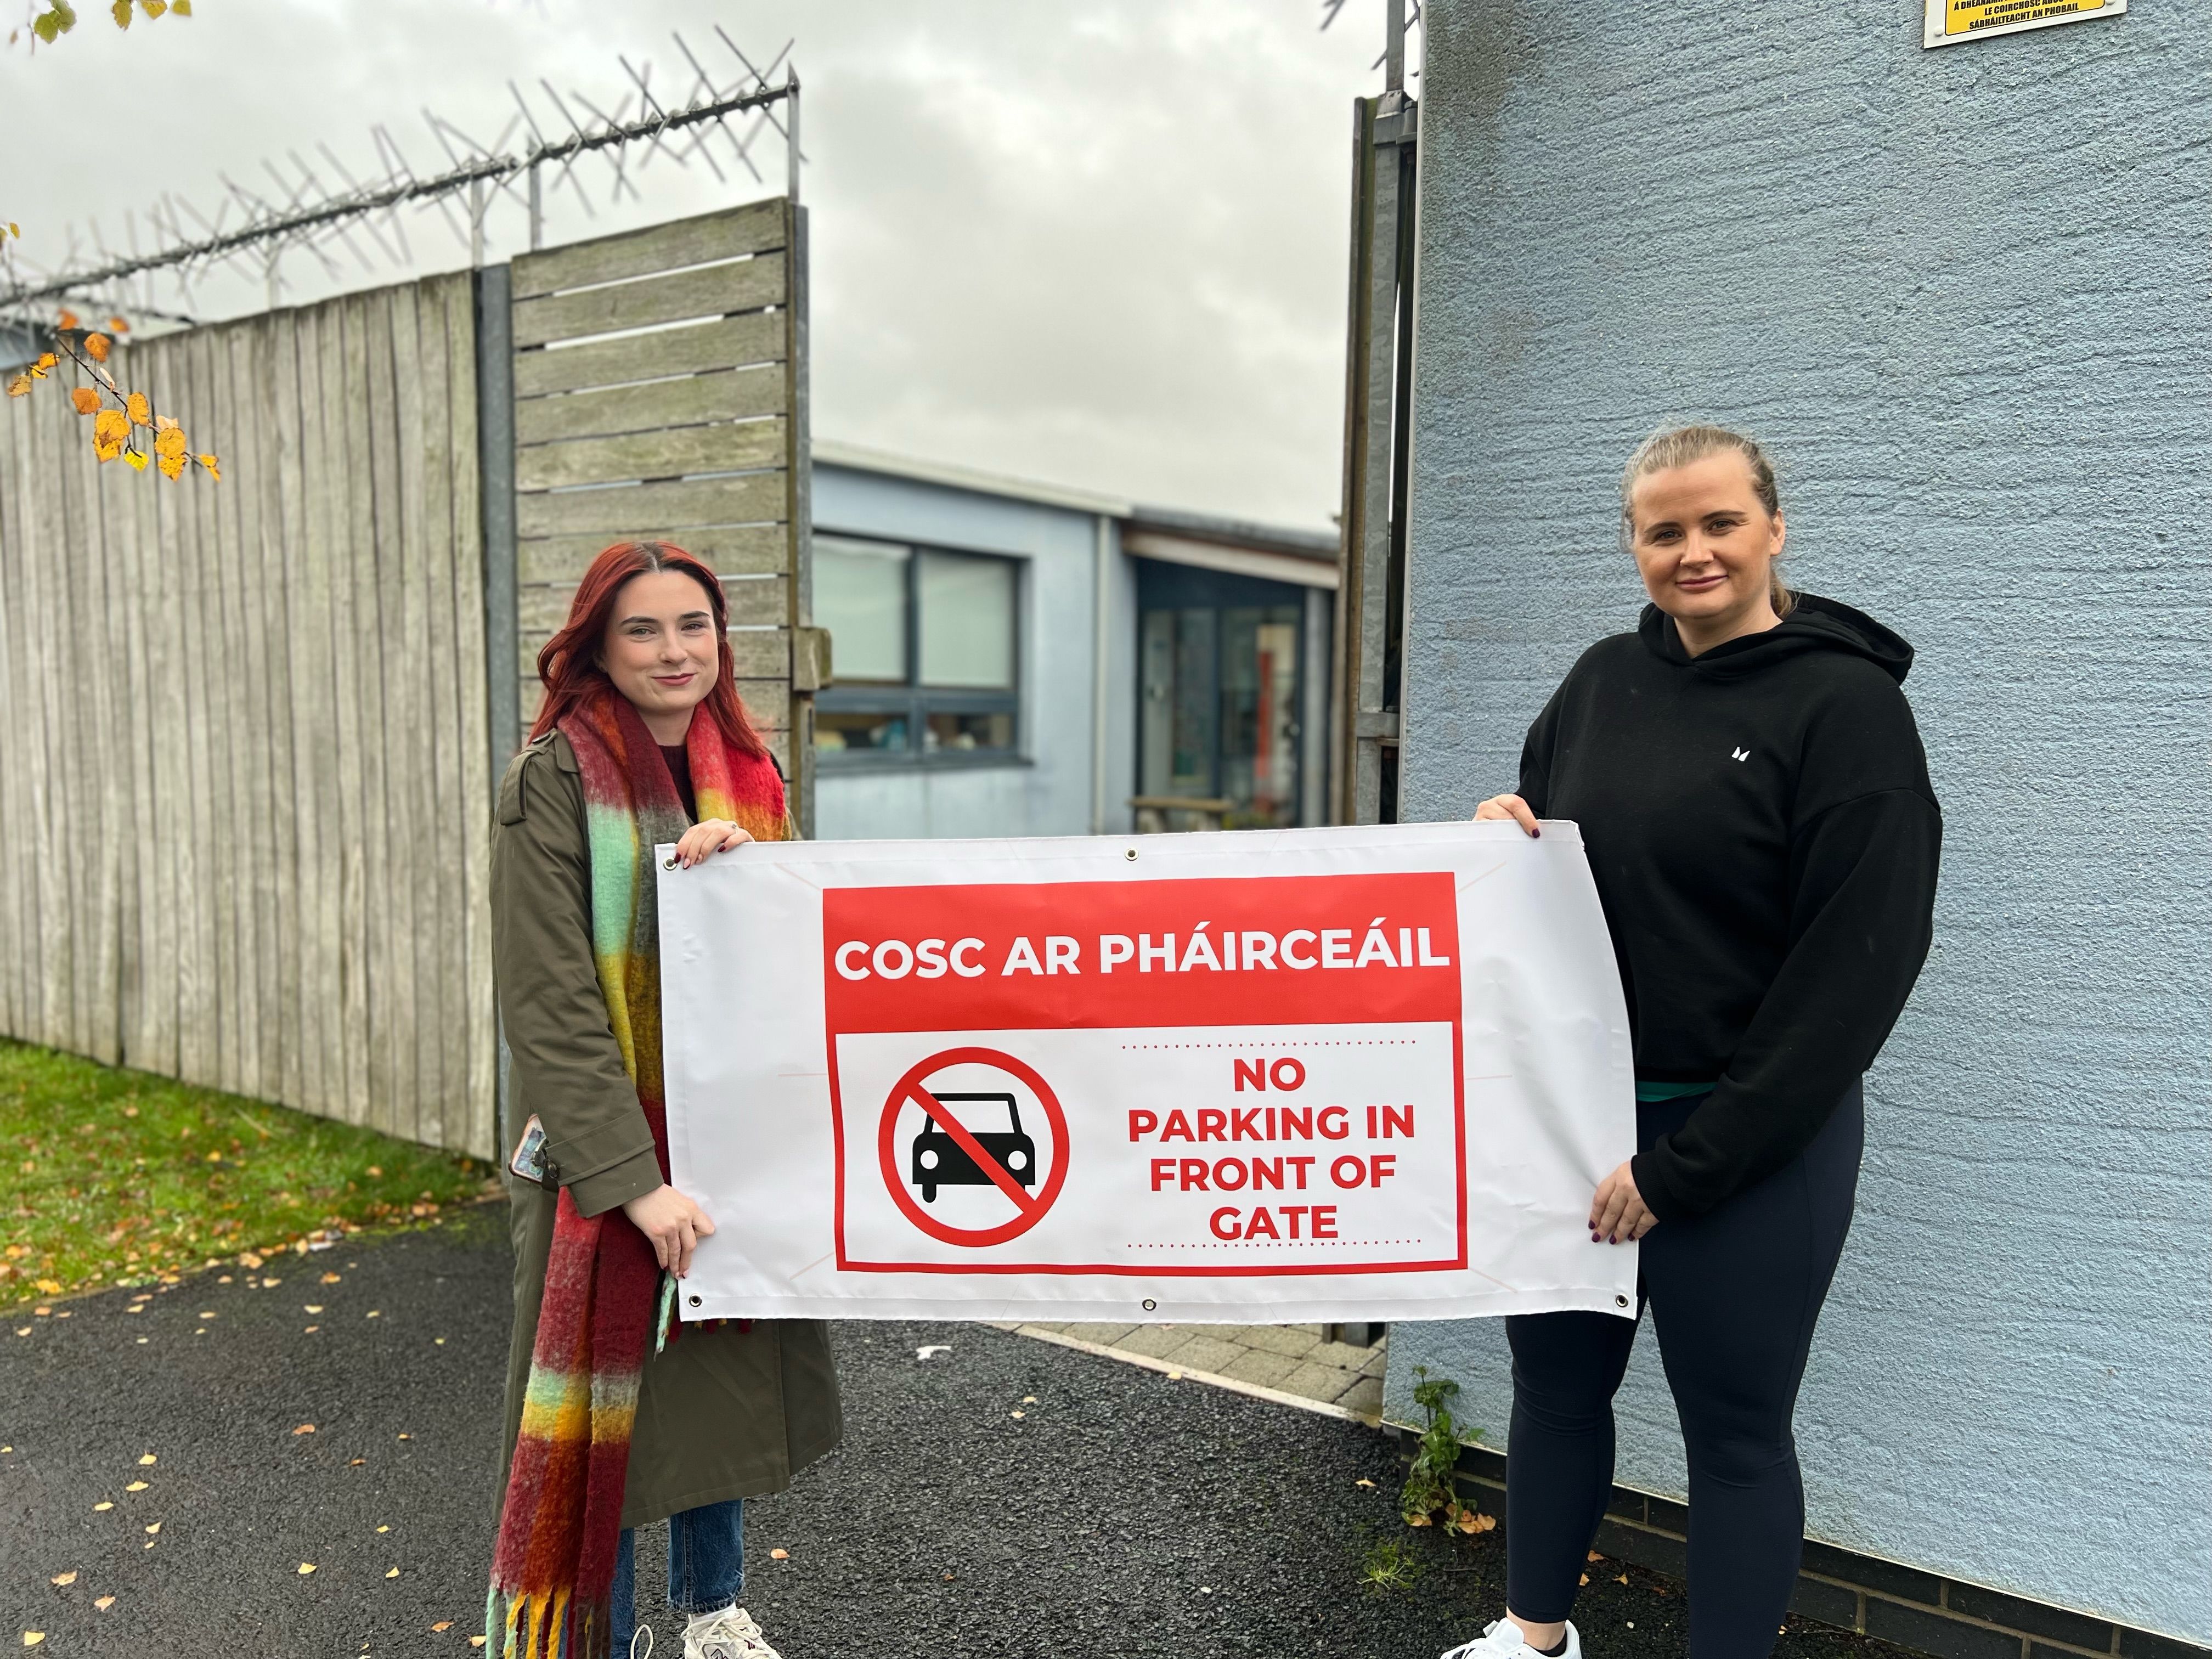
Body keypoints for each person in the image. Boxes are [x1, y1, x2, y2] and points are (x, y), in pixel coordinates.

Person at [1440, 427, 1940, 1659]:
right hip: (1580, 1129)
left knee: (1735, 1435)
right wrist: (1506, 834)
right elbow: (1553, 859)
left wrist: (1689, 1167)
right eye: (1664, 531)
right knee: (1556, 1393)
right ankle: (1534, 1638)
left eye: (1721, 523)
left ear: (1774, 529)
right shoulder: (1601, 680)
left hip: (1753, 1144)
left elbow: (1855, 973)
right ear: (1634, 547)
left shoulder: (1848, 709)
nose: (1695, 551)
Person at [487, 540, 842, 1659]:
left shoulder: (754, 776)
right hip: (604, 1163)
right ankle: (603, 1636)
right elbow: (550, 1008)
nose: (674, 651)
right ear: (597, 646)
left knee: (712, 1394)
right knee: (614, 1417)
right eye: (642, 629)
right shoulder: (551, 782)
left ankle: (713, 1614)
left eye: (694, 625)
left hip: (724, 1145)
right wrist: (635, 1185)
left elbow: (804, 950)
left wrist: (745, 881)